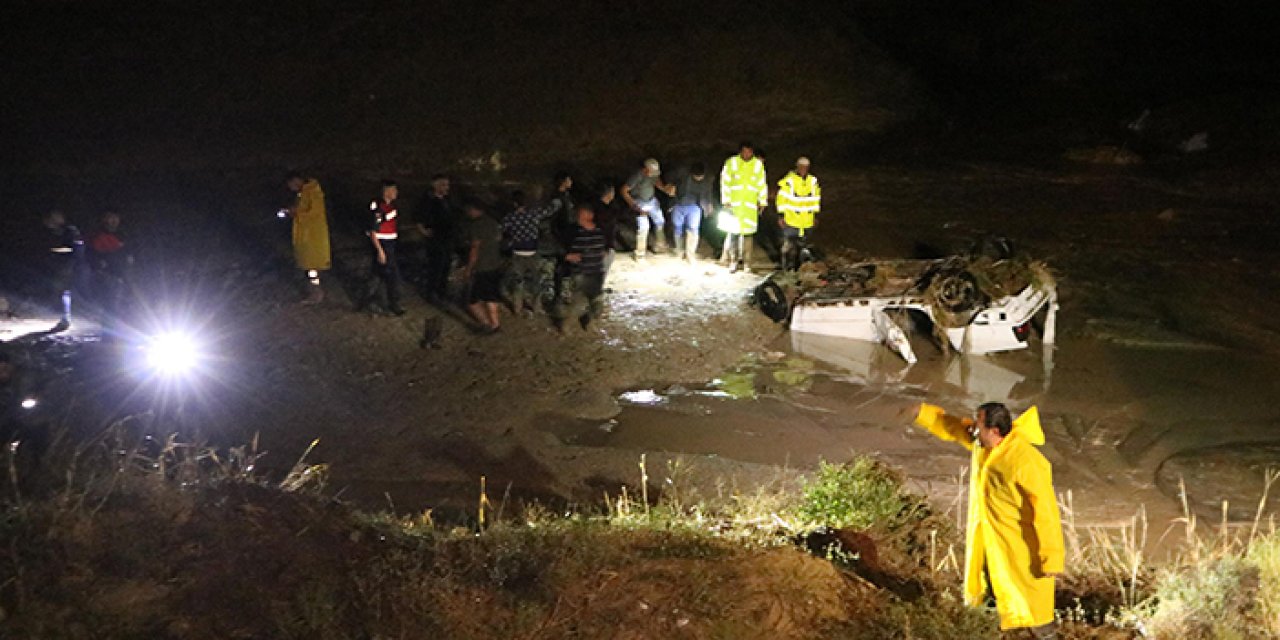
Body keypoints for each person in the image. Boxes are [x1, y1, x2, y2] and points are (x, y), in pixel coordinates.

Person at [910, 401, 1064, 639]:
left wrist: (1051, 558)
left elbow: (1046, 512)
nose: (973, 429)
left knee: (1032, 610)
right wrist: (923, 413)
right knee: (988, 597)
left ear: (994, 431)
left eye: (978, 424)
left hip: (1019, 550)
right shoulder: (984, 445)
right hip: (989, 542)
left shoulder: (1025, 461)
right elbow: (954, 427)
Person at [501, 190, 556, 315]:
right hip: (532, 252)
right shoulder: (533, 214)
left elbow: (502, 230)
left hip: (517, 252)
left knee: (518, 281)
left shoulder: (509, 218)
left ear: (514, 203)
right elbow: (549, 211)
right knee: (536, 281)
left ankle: (517, 308)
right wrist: (557, 200)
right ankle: (537, 307)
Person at [719, 142, 768, 273]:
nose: (747, 154)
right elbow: (725, 182)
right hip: (734, 206)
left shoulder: (758, 165)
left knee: (748, 235)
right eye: (744, 151)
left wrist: (762, 201)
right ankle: (733, 261)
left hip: (749, 207)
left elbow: (761, 184)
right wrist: (726, 200)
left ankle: (747, 263)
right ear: (740, 151)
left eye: (749, 152)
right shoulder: (731, 162)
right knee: (733, 234)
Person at [285, 172, 332, 305]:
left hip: (313, 235)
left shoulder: (313, 191)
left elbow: (314, 212)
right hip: (306, 235)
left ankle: (316, 293)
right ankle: (314, 292)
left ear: (296, 180)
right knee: (308, 264)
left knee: (312, 266)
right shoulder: (303, 193)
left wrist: (296, 213)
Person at [560, 204, 607, 331]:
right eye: (579, 215)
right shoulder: (573, 232)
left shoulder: (599, 232)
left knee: (597, 305)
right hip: (580, 273)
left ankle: (588, 321)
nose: (578, 218)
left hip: (596, 273)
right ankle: (566, 326)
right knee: (577, 303)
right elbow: (561, 249)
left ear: (590, 216)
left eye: (582, 215)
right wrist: (567, 256)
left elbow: (603, 250)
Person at [363, 180, 405, 316]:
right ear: (386, 191)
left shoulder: (392, 206)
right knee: (392, 275)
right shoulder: (377, 206)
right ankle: (394, 304)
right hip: (382, 243)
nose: (396, 193)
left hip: (390, 243)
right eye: (393, 190)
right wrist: (380, 250)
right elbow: (373, 229)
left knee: (377, 274)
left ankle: (366, 300)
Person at [620, 158, 675, 260]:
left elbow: (657, 181)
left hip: (651, 200)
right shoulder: (637, 176)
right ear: (645, 169)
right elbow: (624, 190)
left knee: (660, 221)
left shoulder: (653, 175)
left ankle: (660, 246)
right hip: (639, 201)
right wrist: (634, 206)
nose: (654, 174)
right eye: (652, 172)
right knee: (644, 226)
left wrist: (664, 189)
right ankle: (640, 253)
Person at [463, 202, 505, 333]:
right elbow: (499, 238)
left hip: (482, 266)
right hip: (495, 264)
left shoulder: (476, 226)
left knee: (472, 301)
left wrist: (469, 268)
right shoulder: (493, 222)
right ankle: (495, 323)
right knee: (491, 296)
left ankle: (487, 324)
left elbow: (474, 249)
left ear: (474, 209)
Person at [41, 209, 85, 329]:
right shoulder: (52, 232)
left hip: (71, 265)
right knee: (62, 292)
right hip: (59, 266)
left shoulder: (70, 231)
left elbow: (75, 248)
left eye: (55, 217)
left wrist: (54, 251)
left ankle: (68, 317)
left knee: (68, 292)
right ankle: (65, 317)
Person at [776, 157, 822, 271]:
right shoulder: (789, 181)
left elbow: (816, 199)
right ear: (797, 167)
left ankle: (799, 269)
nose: (803, 169)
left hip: (807, 220)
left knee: (802, 247)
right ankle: (787, 269)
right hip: (791, 219)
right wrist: (781, 216)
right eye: (801, 167)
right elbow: (781, 200)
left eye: (805, 167)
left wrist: (815, 216)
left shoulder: (812, 181)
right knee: (788, 247)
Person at [416, 174, 456, 302]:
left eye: (447, 185)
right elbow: (418, 218)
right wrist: (423, 231)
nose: (446, 188)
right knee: (436, 265)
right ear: (435, 185)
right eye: (443, 184)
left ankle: (441, 291)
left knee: (446, 265)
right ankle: (431, 292)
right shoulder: (428, 201)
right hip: (436, 238)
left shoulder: (447, 200)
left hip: (447, 237)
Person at [88, 210, 134, 313]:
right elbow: (94, 253)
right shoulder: (97, 235)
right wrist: (100, 264)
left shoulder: (123, 234)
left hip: (122, 271)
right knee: (111, 290)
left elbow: (128, 251)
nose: (114, 220)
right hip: (105, 270)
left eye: (116, 218)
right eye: (111, 217)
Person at [672, 162, 714, 263]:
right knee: (678, 227)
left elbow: (708, 194)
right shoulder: (682, 175)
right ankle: (679, 250)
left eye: (700, 176)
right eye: (696, 176)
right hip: (679, 204)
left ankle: (690, 253)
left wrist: (709, 205)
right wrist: (671, 186)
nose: (699, 178)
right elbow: (670, 180)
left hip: (694, 206)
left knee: (693, 228)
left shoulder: (707, 181)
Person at [592, 181, 622, 278]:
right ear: (608, 193)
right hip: (602, 245)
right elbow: (605, 229)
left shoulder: (596, 207)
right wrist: (605, 247)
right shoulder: (605, 212)